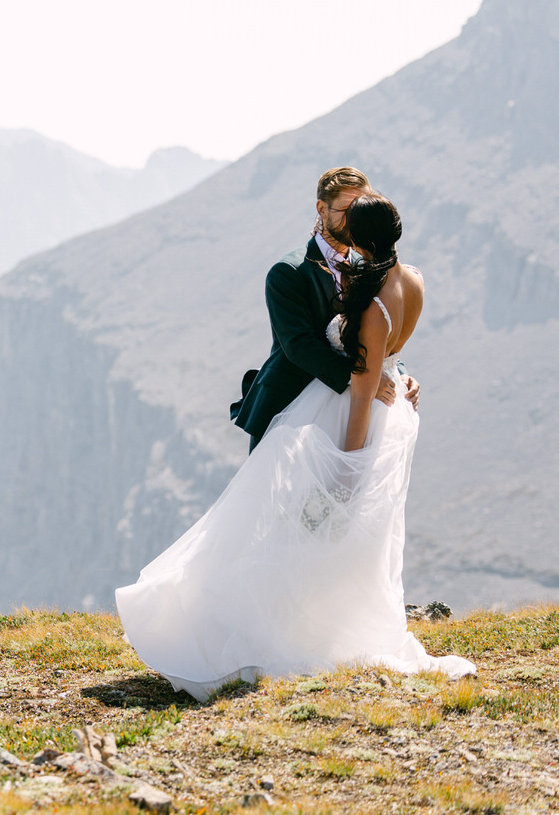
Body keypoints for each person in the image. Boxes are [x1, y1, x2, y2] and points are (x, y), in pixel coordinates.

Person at [115, 191, 475, 701]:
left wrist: (349, 463)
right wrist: (382, 377)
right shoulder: (404, 276)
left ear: (360, 234)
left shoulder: (371, 301)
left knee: (311, 530)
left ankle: (289, 633)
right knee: (299, 527)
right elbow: (304, 345)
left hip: (348, 422)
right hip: (356, 412)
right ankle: (305, 622)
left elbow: (376, 356)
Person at [230, 167, 417, 452]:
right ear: (322, 209)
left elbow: (378, 328)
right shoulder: (288, 272)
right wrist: (362, 380)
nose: (355, 220)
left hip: (343, 418)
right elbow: (298, 345)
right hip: (289, 413)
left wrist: (397, 373)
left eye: (359, 209)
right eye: (346, 210)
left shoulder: (369, 268)